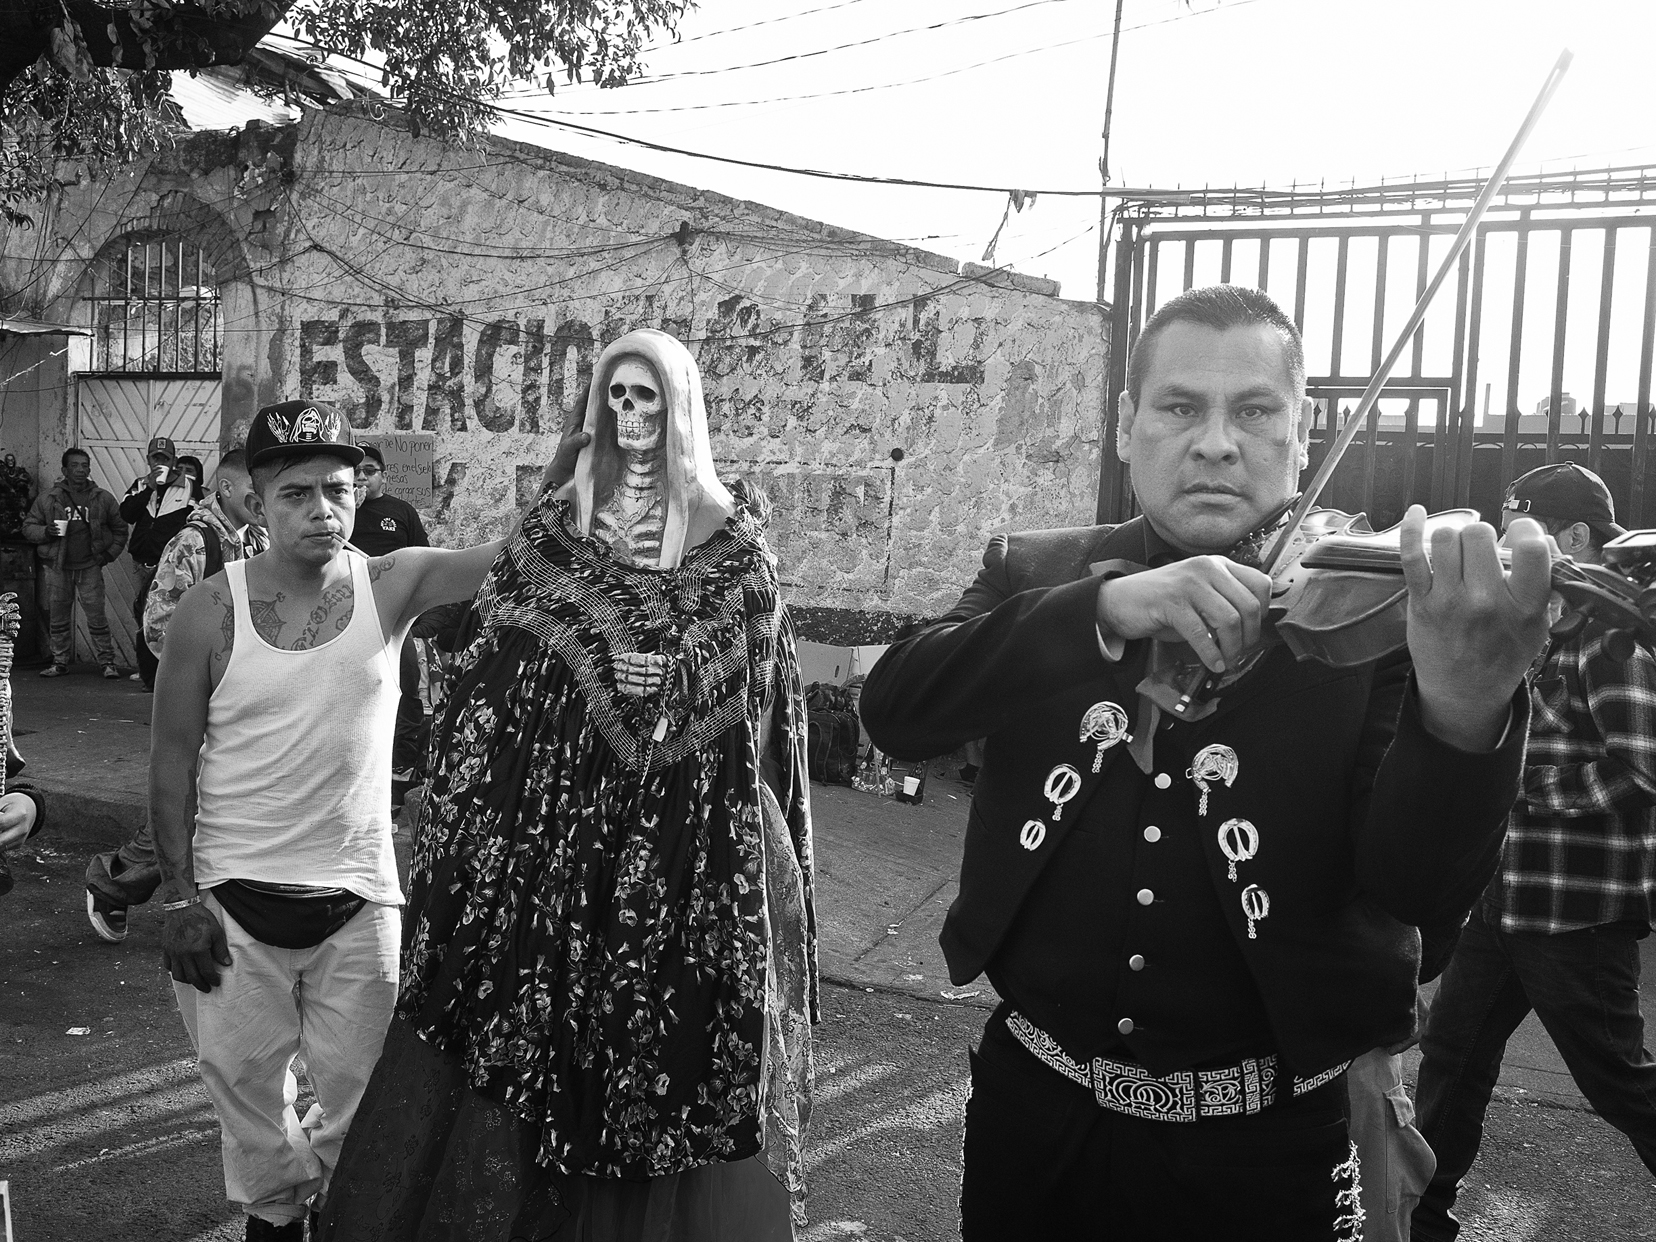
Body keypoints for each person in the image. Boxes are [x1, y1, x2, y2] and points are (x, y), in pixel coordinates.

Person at [859, 284, 1554, 1241]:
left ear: (1302, 435)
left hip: (1272, 1148)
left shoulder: (1377, 611)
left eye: (1255, 412)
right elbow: (896, 711)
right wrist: (1103, 610)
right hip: (1035, 1116)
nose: (1217, 444)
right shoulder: (1037, 573)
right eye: (1181, 407)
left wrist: (1468, 710)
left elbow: (1419, 896)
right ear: (1125, 425)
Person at [317, 329, 816, 1242]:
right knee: (515, 1015)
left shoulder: (734, 544)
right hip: (543, 833)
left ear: (680, 407)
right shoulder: (558, 523)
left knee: (652, 1032)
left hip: (675, 842)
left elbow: (758, 693)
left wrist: (671, 676)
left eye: (647, 397)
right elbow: (492, 646)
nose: (629, 415)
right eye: (614, 396)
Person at [150, 399, 553, 1241]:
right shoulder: (210, 610)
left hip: (360, 900)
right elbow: (171, 760)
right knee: (247, 1101)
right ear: (257, 501)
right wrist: (180, 896)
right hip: (231, 902)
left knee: (365, 1100)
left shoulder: (390, 584)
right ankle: (274, 1220)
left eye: (337, 490)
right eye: (296, 493)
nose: (321, 511)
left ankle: (340, 1218)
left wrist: (575, 461)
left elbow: (517, 556)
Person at [1411, 461, 1656, 1240]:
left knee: (1619, 1081)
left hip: (1575, 914)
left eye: (1526, 530)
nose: (1506, 549)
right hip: (1503, 901)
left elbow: (1642, 769)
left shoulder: (1612, 642)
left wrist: (1515, 786)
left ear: (1574, 537)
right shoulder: (1539, 634)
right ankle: (1423, 1220)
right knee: (1451, 1061)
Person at [84, 449, 267, 943]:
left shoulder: (258, 539)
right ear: (226, 488)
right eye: (255, 488)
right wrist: (211, 675)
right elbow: (159, 624)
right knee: (190, 801)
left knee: (219, 800)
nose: (264, 499)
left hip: (248, 695)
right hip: (204, 695)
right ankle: (115, 882)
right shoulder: (193, 541)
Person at [350, 443, 432, 806]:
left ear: (383, 476)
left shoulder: (401, 512)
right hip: (350, 614)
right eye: (356, 472)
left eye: (369, 471)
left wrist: (422, 620)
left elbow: (424, 560)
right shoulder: (340, 512)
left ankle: (398, 779)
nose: (362, 478)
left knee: (406, 689)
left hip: (397, 617)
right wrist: (349, 508)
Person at [24, 447, 128, 678]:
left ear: (89, 470)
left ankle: (107, 662)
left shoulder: (102, 498)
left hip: (90, 565)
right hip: (58, 566)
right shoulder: (49, 498)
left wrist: (108, 555)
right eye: (75, 465)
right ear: (64, 470)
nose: (80, 470)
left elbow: (120, 529)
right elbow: (28, 527)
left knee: (97, 616)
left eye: (84, 465)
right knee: (58, 616)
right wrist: (46, 531)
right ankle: (59, 661)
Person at [121, 438, 204, 689]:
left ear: (174, 461)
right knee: (144, 617)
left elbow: (197, 520)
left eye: (164, 459)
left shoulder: (189, 487)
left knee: (169, 617)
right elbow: (126, 514)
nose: (159, 463)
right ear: (148, 459)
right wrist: (149, 488)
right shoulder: (140, 485)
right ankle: (148, 671)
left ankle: (169, 672)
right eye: (155, 458)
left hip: (169, 565)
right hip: (142, 562)